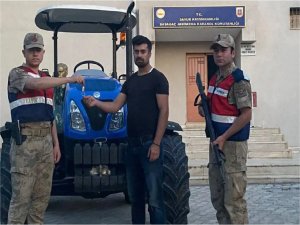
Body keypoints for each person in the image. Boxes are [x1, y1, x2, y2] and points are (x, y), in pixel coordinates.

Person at [83, 35, 169, 224]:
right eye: (136, 52)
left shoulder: (158, 79)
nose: (139, 55)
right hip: (131, 146)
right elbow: (115, 107)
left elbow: (164, 111)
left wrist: (156, 143)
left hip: (149, 145)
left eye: (143, 51)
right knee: (136, 199)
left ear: (149, 53)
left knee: (154, 199)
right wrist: (96, 102)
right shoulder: (130, 82)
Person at [7, 32, 84, 224]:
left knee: (40, 202)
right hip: (25, 143)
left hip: (45, 145)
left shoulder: (46, 79)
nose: (35, 54)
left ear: (43, 53)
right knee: (20, 201)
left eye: (38, 50)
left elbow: (51, 117)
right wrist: (68, 79)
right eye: (31, 50)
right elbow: (34, 84)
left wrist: (55, 145)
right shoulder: (17, 74)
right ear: (23, 52)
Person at [198, 34, 252, 224]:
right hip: (216, 144)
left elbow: (246, 115)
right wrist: (204, 109)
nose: (219, 54)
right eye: (216, 50)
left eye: (223, 50)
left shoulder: (239, 80)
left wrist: (223, 137)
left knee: (234, 202)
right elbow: (217, 108)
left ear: (232, 52)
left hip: (232, 146)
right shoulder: (214, 78)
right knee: (218, 199)